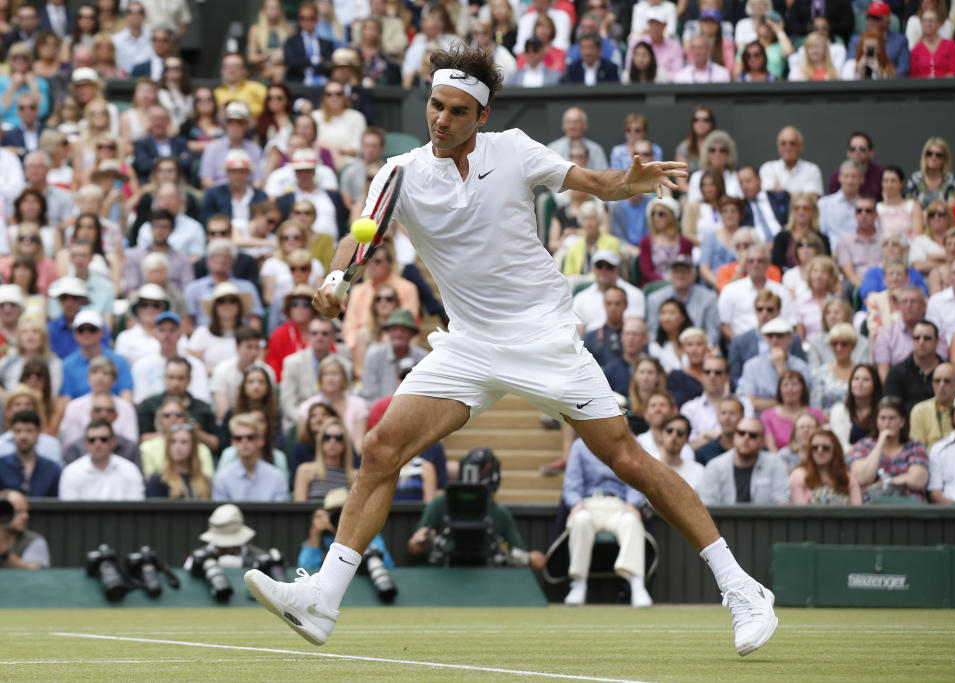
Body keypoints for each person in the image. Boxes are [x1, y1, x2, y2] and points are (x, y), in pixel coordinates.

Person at [245, 47, 778, 656]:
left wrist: (629, 183)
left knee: (627, 460)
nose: (440, 120)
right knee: (380, 448)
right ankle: (323, 600)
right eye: (434, 107)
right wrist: (337, 280)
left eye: (456, 111)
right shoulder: (397, 172)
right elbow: (357, 237)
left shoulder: (516, 149)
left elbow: (595, 183)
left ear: (482, 115)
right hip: (469, 344)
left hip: (543, 337)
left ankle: (741, 588)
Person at [407, 448, 545, 570]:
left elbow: (534, 560)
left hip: (485, 579)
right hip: (441, 575)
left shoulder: (499, 513)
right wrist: (419, 543)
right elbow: (413, 547)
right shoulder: (440, 503)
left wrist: (517, 554)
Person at [562, 435, 652, 608]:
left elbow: (637, 480)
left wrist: (633, 504)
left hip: (620, 505)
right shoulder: (579, 446)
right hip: (588, 504)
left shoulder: (632, 444)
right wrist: (576, 503)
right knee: (580, 520)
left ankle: (637, 584)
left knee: (632, 521)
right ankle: (578, 583)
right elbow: (571, 485)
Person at [848, 397, 929, 502]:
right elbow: (862, 478)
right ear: (876, 421)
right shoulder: (863, 445)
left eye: (892, 418)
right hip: (873, 505)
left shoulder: (915, 446)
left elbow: (917, 480)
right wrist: (880, 443)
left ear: (902, 422)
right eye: (882, 418)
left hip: (908, 504)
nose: (887, 423)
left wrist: (881, 484)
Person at [698, 417, 790, 504]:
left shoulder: (775, 464)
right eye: (741, 433)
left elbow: (782, 501)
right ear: (734, 437)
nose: (746, 438)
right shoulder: (715, 466)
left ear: (762, 441)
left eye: (753, 435)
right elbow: (707, 504)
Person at [728, 290, 805, 391]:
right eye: (760, 309)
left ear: (778, 312)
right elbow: (734, 376)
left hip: (789, 391)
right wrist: (748, 389)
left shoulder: (793, 338)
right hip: (751, 395)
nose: (764, 313)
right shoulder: (740, 341)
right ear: (755, 311)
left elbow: (801, 370)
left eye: (770, 310)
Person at [299, 488, 393, 570]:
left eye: (344, 512)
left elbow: (387, 565)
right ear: (326, 515)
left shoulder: (368, 534)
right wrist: (314, 534)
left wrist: (358, 534)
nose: (340, 518)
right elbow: (306, 570)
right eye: (334, 512)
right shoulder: (321, 538)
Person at [717, 246, 794, 343]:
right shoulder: (730, 290)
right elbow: (724, 324)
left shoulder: (781, 291)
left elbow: (789, 322)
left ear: (768, 264)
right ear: (744, 265)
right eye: (751, 261)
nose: (755, 264)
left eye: (760, 261)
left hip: (776, 343)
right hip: (742, 344)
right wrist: (739, 345)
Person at [58, 418, 144, 500]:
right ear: (85, 443)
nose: (98, 444)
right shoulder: (71, 472)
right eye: (92, 440)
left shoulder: (130, 470)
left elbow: (135, 509)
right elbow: (70, 511)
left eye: (103, 439)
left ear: (113, 442)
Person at [738, 318, 811, 413]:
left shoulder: (801, 366)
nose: (775, 340)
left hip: (793, 420)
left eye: (780, 335)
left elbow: (803, 401)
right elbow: (750, 402)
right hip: (761, 422)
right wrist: (785, 404)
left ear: (790, 338)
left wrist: (782, 368)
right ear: (764, 338)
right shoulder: (751, 365)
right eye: (770, 336)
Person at [212, 412, 288, 502]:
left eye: (250, 437)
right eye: (238, 438)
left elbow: (279, 513)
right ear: (233, 442)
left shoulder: (276, 477)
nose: (244, 442)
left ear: (261, 440)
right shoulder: (222, 478)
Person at [279, 318, 341, 429]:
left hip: (336, 422)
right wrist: (309, 422)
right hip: (301, 421)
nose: (319, 337)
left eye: (325, 333)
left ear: (333, 337)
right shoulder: (292, 363)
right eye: (314, 333)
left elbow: (346, 398)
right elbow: (287, 403)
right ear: (308, 336)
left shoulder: (344, 364)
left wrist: (331, 422)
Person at [645, 254, 719, 346]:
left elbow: (713, 333)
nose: (680, 275)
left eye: (685, 271)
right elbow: (652, 332)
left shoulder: (709, 298)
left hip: (699, 351)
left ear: (694, 276)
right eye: (676, 271)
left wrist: (703, 351)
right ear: (670, 275)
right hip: (664, 349)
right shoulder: (654, 299)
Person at [683, 356, 754, 449]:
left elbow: (747, 439)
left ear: (727, 377)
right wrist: (726, 437)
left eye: (718, 372)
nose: (712, 376)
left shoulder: (744, 403)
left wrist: (706, 435)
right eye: (707, 372)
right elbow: (687, 446)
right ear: (701, 376)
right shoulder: (689, 408)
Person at [359, 309, 428, 406]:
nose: (398, 334)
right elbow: (368, 395)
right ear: (388, 332)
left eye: (404, 330)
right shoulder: (374, 356)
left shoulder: (424, 358)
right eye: (394, 329)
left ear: (412, 333)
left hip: (415, 410)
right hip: (380, 411)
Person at [571, 250, 645, 334]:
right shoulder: (580, 298)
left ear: (617, 268)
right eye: (599, 266)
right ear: (593, 268)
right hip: (589, 345)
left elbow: (635, 329)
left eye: (609, 266)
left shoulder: (634, 294)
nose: (604, 270)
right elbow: (577, 333)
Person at [293, 416, 355, 503]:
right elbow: (299, 510)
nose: (332, 441)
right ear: (320, 441)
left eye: (339, 438)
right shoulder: (305, 471)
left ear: (345, 443)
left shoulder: (355, 476)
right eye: (327, 437)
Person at [884, 319, 942, 413]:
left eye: (927, 338)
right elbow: (889, 409)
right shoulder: (896, 372)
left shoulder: (948, 372)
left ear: (937, 341)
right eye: (917, 338)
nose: (921, 342)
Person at [790, 429, 862, 505]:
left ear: (835, 450)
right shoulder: (798, 476)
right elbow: (800, 512)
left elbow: (857, 510)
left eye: (825, 447)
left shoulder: (848, 478)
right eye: (815, 447)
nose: (820, 451)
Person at [760, 370, 825, 452]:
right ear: (779, 389)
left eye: (794, 384)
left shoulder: (816, 414)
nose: (790, 389)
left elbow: (820, 441)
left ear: (802, 388)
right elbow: (771, 447)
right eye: (785, 385)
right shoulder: (767, 415)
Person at [0, 410, 60, 496]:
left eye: (29, 431)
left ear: (38, 432)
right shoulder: (1, 465)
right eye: (18, 431)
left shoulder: (52, 468)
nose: (23, 436)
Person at [145, 423, 211, 498]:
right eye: (173, 442)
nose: (178, 446)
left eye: (184, 442)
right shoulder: (158, 479)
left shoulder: (203, 480)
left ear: (193, 447)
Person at [758, 126, 824, 196]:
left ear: (800, 146)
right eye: (783, 143)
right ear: (778, 147)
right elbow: (768, 197)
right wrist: (801, 196)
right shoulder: (768, 168)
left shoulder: (812, 170)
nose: (788, 147)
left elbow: (812, 199)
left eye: (792, 143)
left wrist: (782, 193)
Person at [909, 362, 955, 449]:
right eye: (937, 381)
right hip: (929, 461)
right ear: (932, 384)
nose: (941, 385)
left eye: (947, 381)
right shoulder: (920, 411)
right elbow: (918, 451)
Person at [0, 489, 50, 568]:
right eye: (19, 512)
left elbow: (32, 573)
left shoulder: (34, 540)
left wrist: (3, 552)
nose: (26, 516)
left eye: (26, 511)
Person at [927, 392, 955, 504]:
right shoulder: (938, 449)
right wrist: (954, 509)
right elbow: (935, 493)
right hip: (949, 516)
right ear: (953, 413)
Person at [909, 6, 955, 78]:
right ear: (921, 23)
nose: (928, 24)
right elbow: (912, 75)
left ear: (939, 23)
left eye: (931, 21)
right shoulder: (916, 49)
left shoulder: (950, 45)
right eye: (925, 20)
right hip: (922, 87)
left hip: (947, 86)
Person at [695, 396, 744, 465]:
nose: (727, 418)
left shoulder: (751, 450)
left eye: (732, 413)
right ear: (717, 417)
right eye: (723, 413)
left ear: (742, 417)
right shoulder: (704, 452)